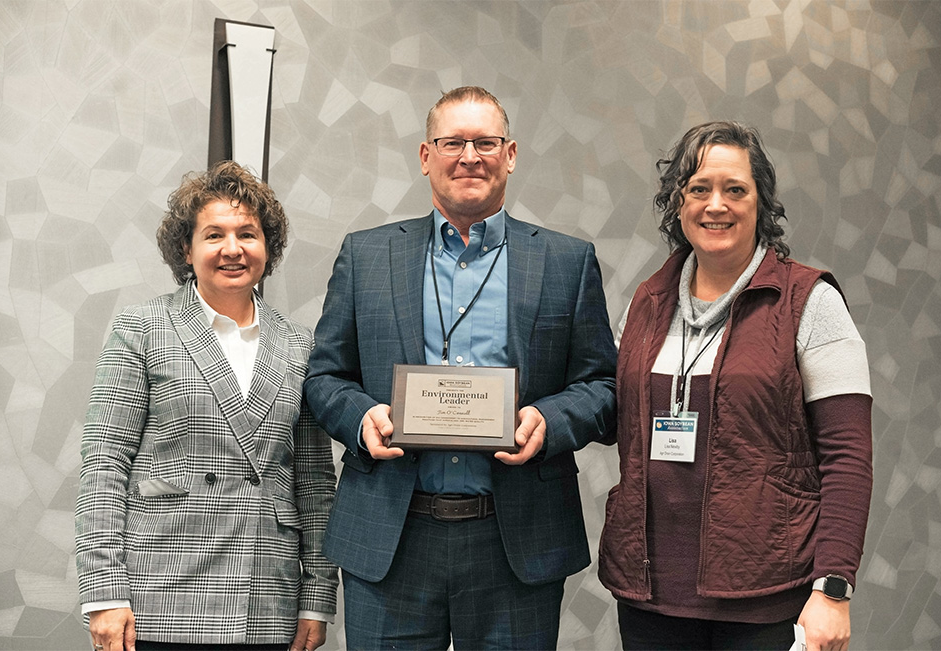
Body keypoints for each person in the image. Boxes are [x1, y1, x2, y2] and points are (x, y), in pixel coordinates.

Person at [304, 86, 617, 649]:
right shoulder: (366, 255)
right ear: (426, 156)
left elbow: (602, 385)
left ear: (511, 154)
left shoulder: (567, 262)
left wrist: (550, 421)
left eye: (485, 142)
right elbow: (324, 376)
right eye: (452, 142)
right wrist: (361, 418)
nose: (469, 156)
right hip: (393, 537)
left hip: (514, 537)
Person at [599, 121, 874, 651]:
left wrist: (833, 588)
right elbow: (612, 415)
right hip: (649, 597)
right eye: (698, 189)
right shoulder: (646, 304)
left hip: (768, 599)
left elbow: (847, 456)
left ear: (761, 203)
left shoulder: (810, 301)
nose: (715, 205)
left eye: (735, 189)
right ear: (677, 203)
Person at [75, 161, 338, 651]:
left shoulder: (301, 345)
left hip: (266, 597)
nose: (233, 249)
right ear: (186, 249)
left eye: (248, 234)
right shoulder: (142, 328)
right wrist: (104, 592)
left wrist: (316, 596)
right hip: (159, 595)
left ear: (268, 248)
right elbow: (104, 463)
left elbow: (315, 482)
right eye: (214, 234)